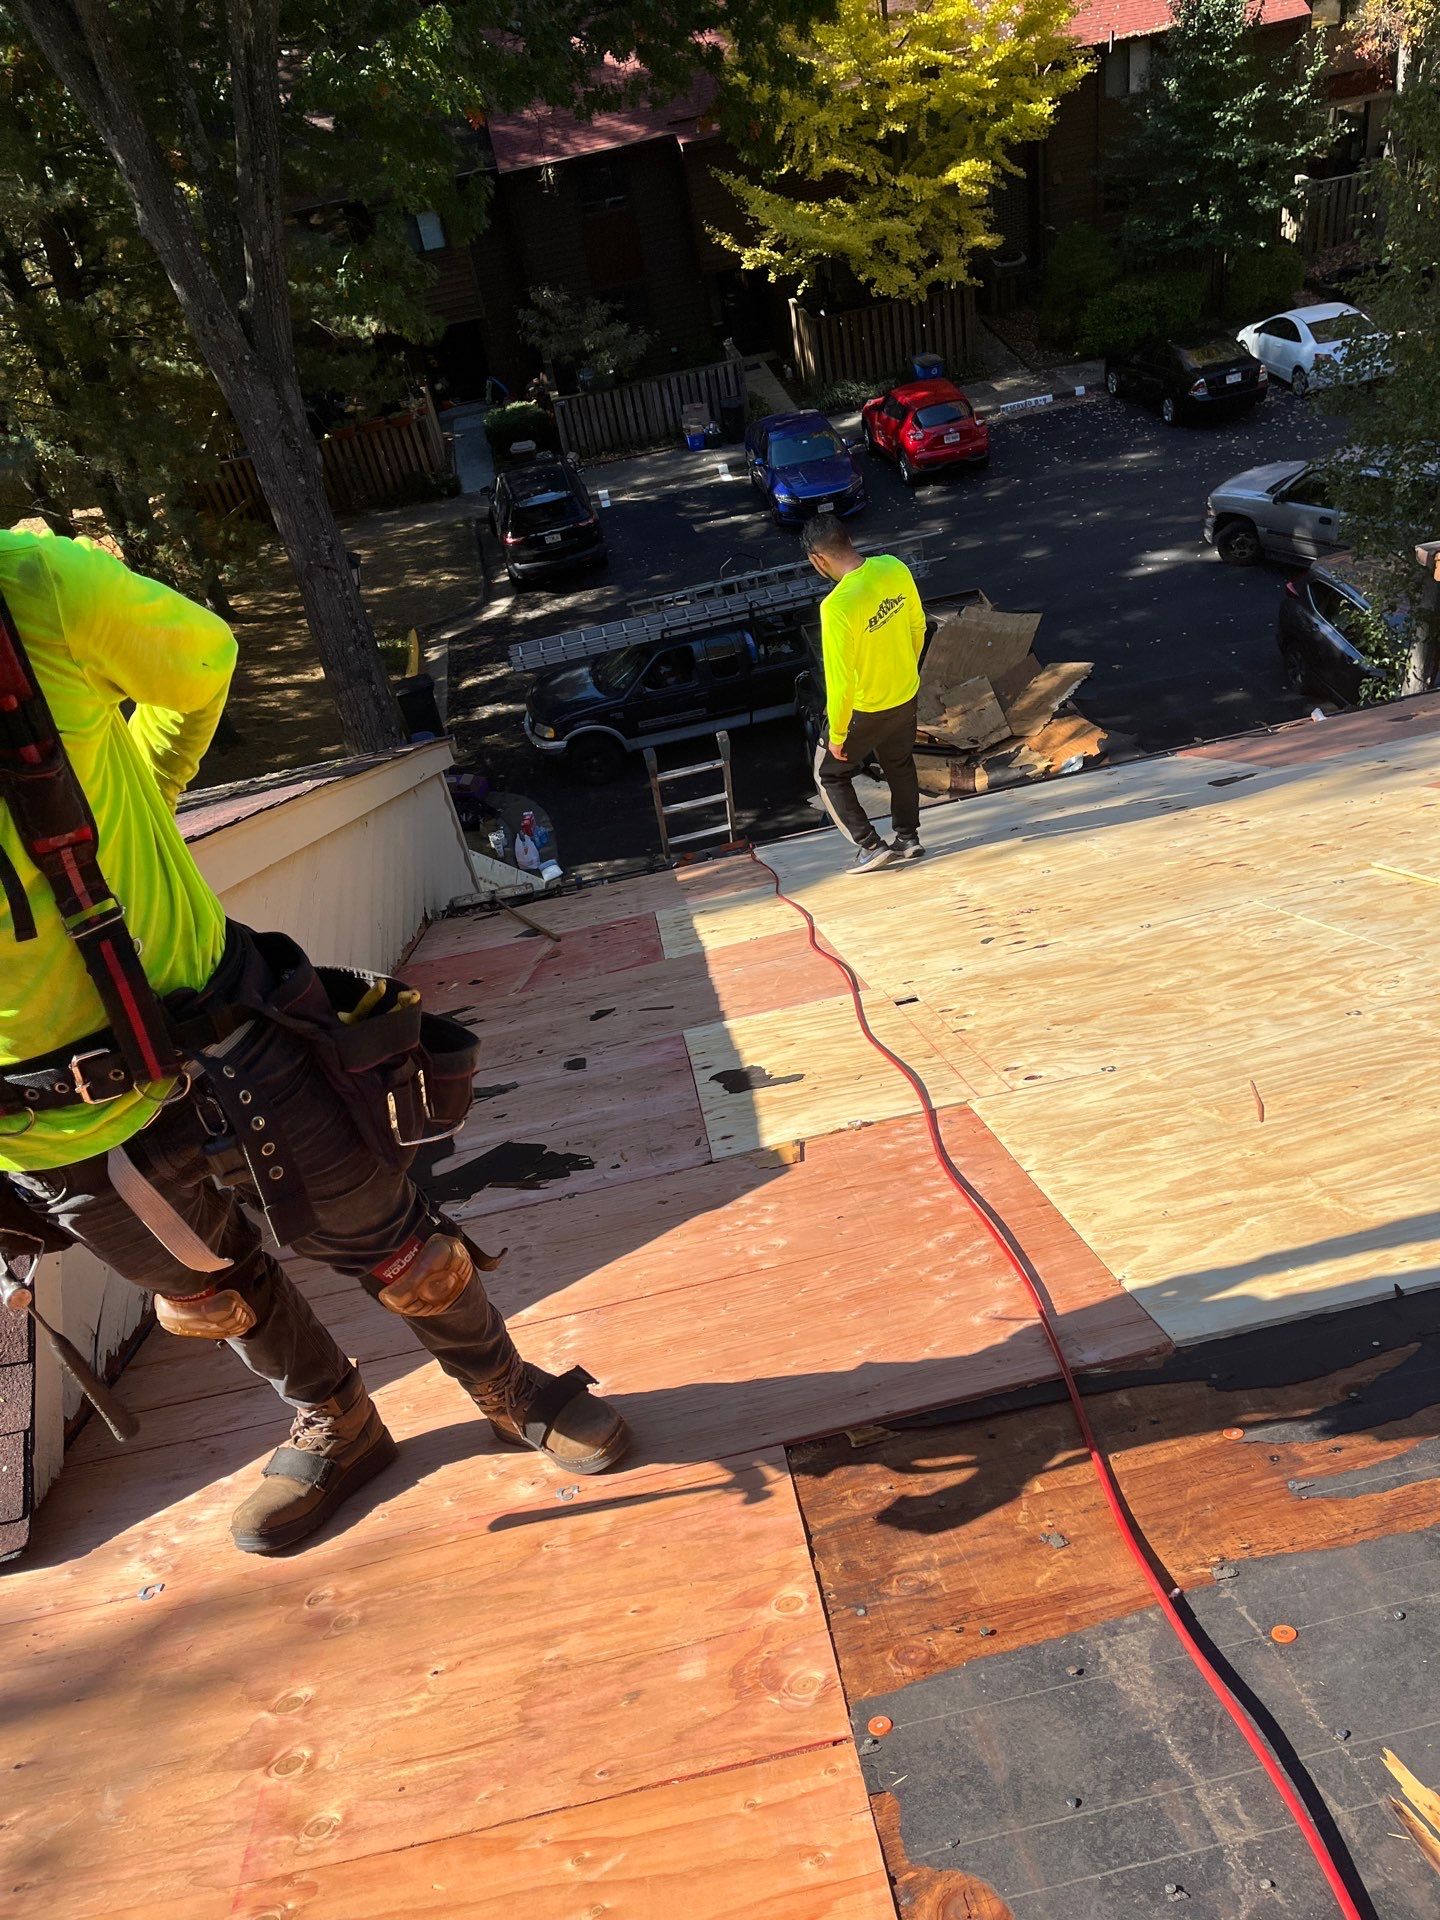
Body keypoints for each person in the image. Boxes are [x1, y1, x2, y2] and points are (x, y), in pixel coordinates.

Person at [0, 528, 630, 1556]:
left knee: (396, 1245)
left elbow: (200, 662)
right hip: (46, 1128)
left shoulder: (29, 590)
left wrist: (138, 792)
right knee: (214, 1292)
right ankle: (340, 1423)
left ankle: (504, 1385)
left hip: (222, 1043)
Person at [802, 516, 927, 874]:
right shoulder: (893, 567)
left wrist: (838, 733)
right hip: (905, 695)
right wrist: (904, 671)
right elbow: (918, 626)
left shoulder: (837, 606)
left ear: (817, 559)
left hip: (866, 709)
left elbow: (840, 680)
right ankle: (907, 838)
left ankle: (870, 846)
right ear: (849, 540)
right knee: (899, 765)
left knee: (829, 774)